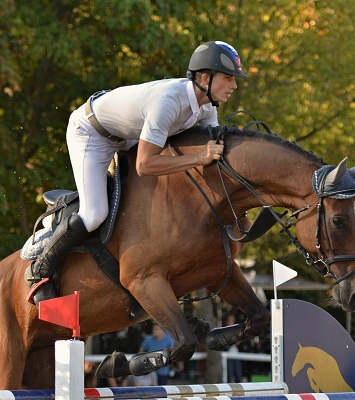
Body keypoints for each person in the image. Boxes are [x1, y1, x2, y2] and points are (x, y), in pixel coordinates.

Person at [27, 40, 248, 304]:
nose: (234, 85)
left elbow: (210, 153)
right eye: (228, 78)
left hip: (127, 135)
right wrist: (200, 156)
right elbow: (146, 165)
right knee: (95, 213)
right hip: (92, 133)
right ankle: (40, 271)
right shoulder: (169, 102)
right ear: (205, 77)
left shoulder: (207, 106)